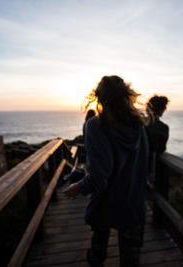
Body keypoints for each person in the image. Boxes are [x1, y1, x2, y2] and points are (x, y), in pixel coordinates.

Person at [63, 75, 149, 267]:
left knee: (97, 253)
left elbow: (99, 178)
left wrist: (77, 187)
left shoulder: (95, 126)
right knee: (131, 259)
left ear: (99, 98)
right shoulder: (139, 125)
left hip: (105, 201)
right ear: (126, 96)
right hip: (133, 202)